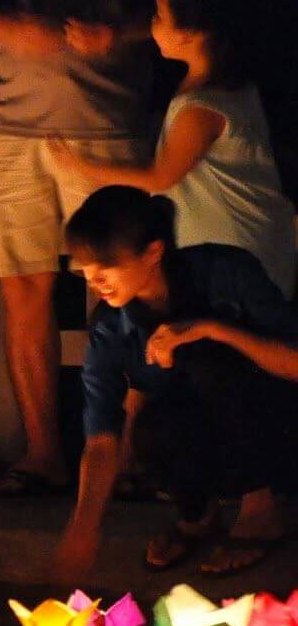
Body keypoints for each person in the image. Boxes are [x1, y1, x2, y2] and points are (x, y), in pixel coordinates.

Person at [0, 0, 154, 496]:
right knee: (23, 290)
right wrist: (6, 26)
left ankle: (127, 457)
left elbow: (179, 14)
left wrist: (116, 36)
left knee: (126, 293)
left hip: (106, 120)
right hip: (9, 129)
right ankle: (42, 454)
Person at [52, 187, 298, 581]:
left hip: (277, 430)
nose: (94, 280)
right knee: (152, 425)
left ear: (153, 252)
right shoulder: (111, 328)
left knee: (207, 361)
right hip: (211, 443)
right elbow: (102, 438)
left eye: (107, 266)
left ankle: (261, 512)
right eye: (86, 267)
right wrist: (83, 528)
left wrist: (211, 329)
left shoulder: (227, 272)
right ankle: (197, 516)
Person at [47, 0, 296, 297]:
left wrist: (84, 167)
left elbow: (161, 177)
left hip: (236, 245)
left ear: (188, 32)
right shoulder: (224, 87)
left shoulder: (202, 106)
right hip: (240, 241)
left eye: (159, 17)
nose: (152, 25)